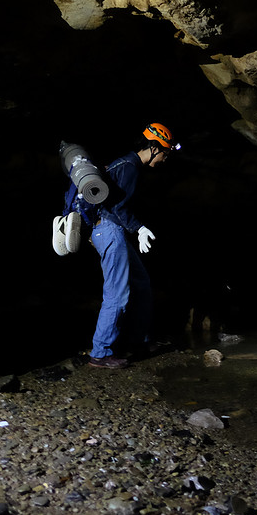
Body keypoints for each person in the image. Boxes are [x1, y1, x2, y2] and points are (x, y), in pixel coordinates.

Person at [87, 123, 178, 369]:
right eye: (165, 153)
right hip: (109, 230)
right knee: (117, 293)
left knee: (141, 283)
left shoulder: (125, 164)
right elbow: (117, 207)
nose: (165, 159)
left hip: (111, 230)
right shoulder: (129, 168)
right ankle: (101, 352)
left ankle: (139, 340)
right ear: (153, 147)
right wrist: (139, 228)